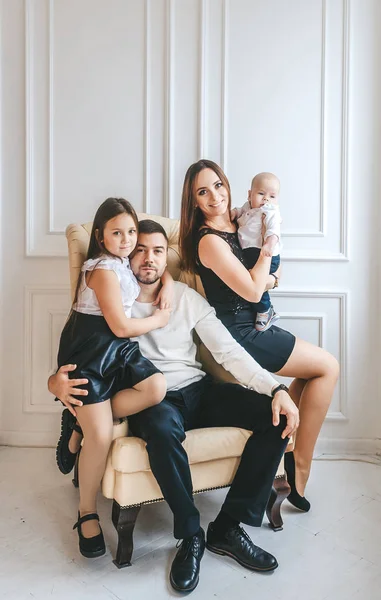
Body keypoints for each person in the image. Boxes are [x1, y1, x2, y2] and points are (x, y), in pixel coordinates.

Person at [48, 219, 299, 593]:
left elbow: (229, 352)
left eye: (158, 250)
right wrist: (55, 381)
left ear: (169, 257)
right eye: (140, 250)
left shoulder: (184, 296)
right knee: (163, 431)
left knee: (275, 417)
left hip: (198, 388)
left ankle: (227, 527)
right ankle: (190, 533)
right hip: (154, 398)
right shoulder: (114, 299)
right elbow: (82, 343)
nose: (149, 258)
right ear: (125, 255)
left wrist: (277, 388)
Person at [179, 159, 340, 514]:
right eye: (202, 192)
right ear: (193, 201)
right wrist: (268, 257)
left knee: (316, 370)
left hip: (254, 325)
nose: (214, 196)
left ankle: (287, 455)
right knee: (327, 368)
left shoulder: (238, 220)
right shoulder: (208, 241)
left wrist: (266, 277)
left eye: (218, 185)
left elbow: (265, 280)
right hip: (240, 332)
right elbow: (254, 290)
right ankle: (298, 467)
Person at [54, 199, 171, 559]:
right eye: (117, 233)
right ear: (101, 237)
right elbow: (120, 325)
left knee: (156, 387)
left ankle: (79, 423)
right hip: (90, 350)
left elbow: (158, 265)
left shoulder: (124, 262)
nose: (126, 240)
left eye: (131, 232)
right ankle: (86, 510)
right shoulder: (103, 269)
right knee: (102, 434)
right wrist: (157, 320)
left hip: (117, 350)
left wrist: (166, 279)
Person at [231, 172, 282, 332]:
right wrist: (233, 213)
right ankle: (260, 309)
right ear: (250, 194)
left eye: (272, 196)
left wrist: (268, 244)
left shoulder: (270, 212)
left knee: (256, 281)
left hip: (266, 253)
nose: (266, 199)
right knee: (250, 281)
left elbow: (274, 231)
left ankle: (265, 310)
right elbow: (239, 211)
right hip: (250, 253)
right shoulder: (248, 207)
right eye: (261, 193)